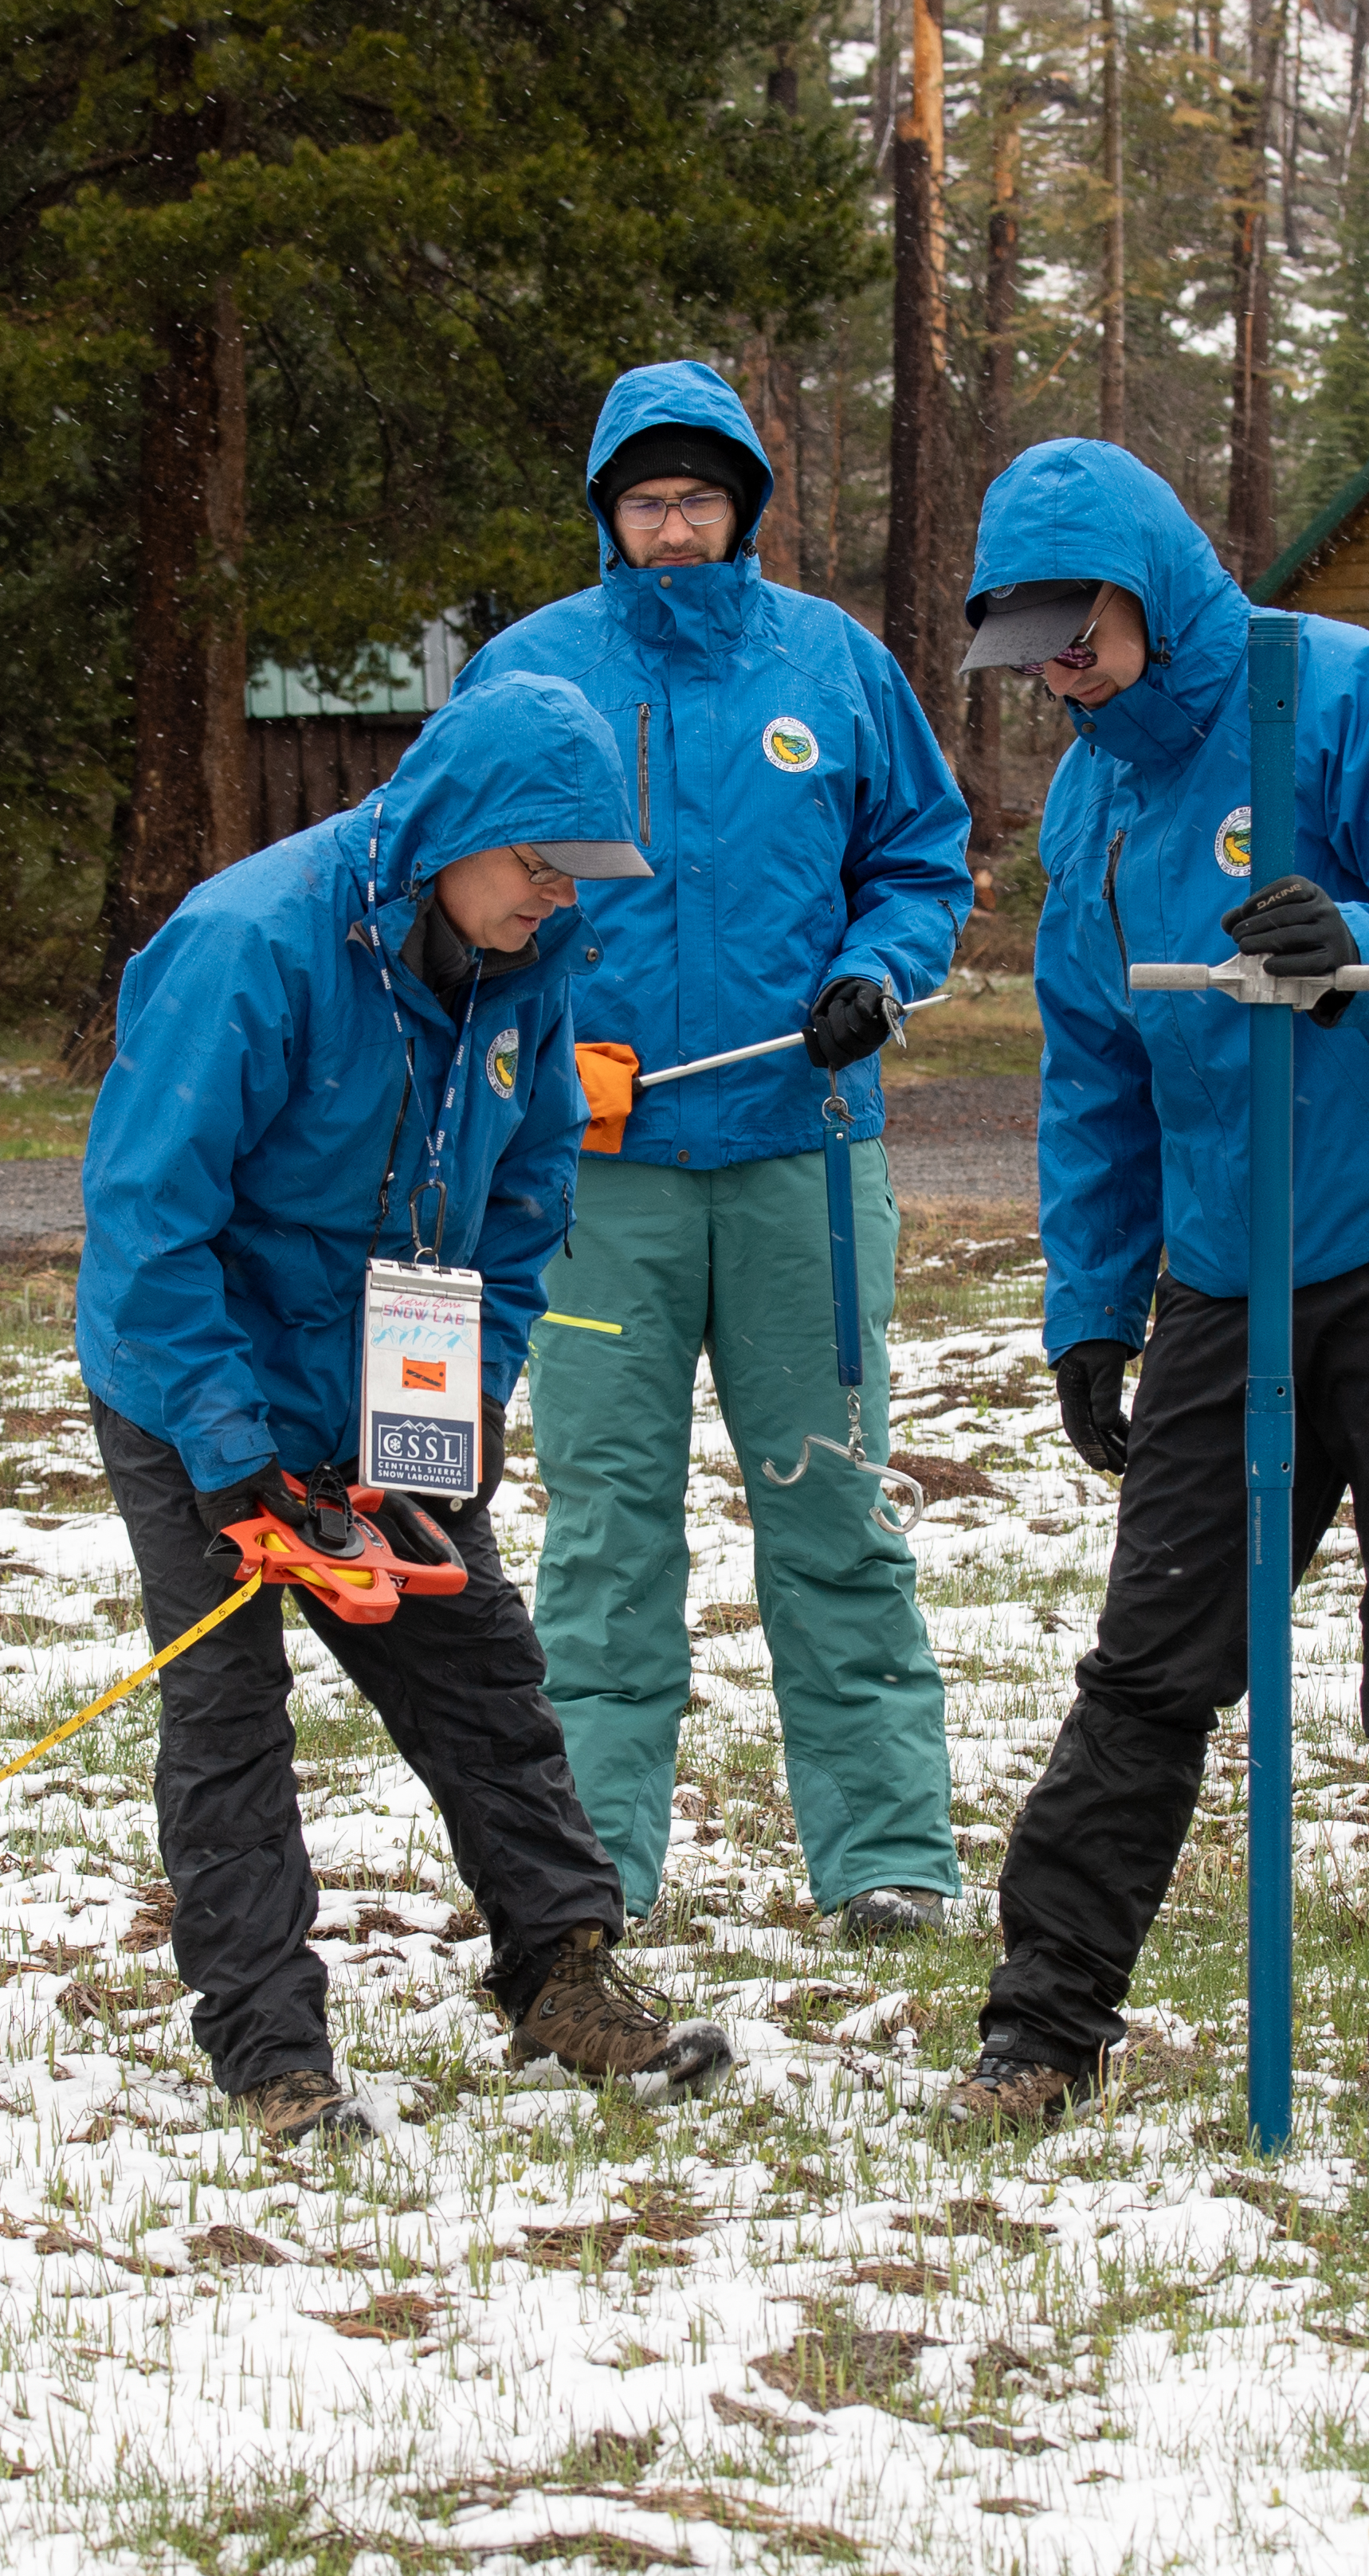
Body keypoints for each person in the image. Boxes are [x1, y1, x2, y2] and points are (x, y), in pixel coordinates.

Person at [941, 438, 1369, 2132]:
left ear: (1150, 584)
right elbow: (1095, 1072)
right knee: (1153, 1653)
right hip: (1230, 1264)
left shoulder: (1345, 688)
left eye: (1084, 627)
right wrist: (1093, 1305)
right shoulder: (1091, 804)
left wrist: (1359, 938)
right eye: (1034, 644)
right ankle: (1042, 2027)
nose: (1064, 668)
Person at [75, 669, 737, 2153]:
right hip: (198, 1372)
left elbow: (525, 1193)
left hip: (387, 1377)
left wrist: (456, 1408)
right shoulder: (250, 943)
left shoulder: (531, 960)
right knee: (230, 1708)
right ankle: (271, 2052)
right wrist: (235, 1456)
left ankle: (563, 1978)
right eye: (536, 863)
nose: (554, 898)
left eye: (578, 874)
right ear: (454, 827)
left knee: (481, 1668)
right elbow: (145, 1225)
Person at [449, 362, 981, 1942]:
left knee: (832, 1506)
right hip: (592, 1180)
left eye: (699, 496)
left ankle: (887, 1851)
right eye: (645, 498)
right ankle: (590, 1864)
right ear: (611, 511)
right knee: (607, 1532)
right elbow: (451, 872)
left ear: (742, 504)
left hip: (798, 1163)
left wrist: (875, 975)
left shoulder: (835, 666)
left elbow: (925, 858)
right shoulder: (534, 672)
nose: (673, 526)